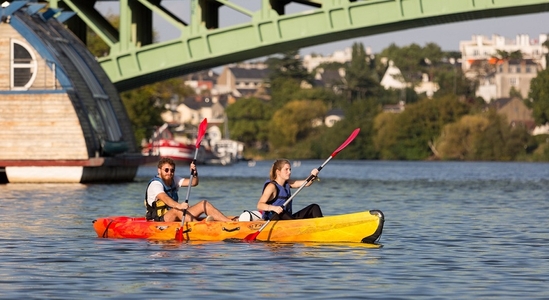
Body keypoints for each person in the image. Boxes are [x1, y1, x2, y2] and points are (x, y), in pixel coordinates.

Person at [145, 157, 233, 222]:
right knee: (177, 210)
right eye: (166, 170)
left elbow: (193, 182)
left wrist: (194, 173)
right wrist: (180, 206)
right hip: (158, 220)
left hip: (175, 215)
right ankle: (200, 227)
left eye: (172, 170)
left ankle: (229, 222)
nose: (169, 173)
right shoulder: (155, 184)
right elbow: (165, 198)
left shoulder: (174, 179)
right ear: (159, 170)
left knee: (204, 204)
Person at [257, 159, 323, 221]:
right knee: (282, 212)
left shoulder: (288, 183)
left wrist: (313, 176)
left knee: (314, 207)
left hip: (288, 219)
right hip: (274, 220)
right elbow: (260, 205)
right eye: (286, 169)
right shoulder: (271, 186)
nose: (289, 172)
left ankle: (322, 227)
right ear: (278, 172)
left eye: (290, 169)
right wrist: (274, 208)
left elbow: (306, 183)